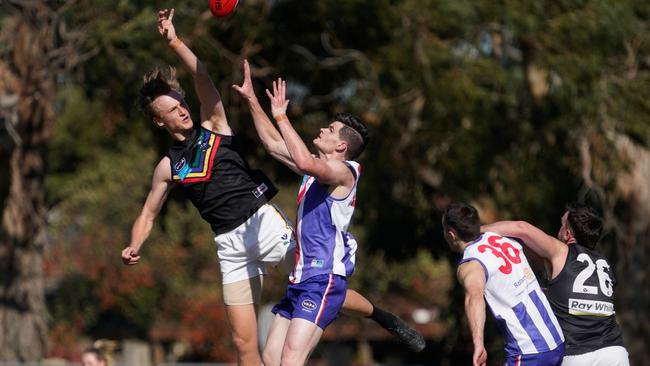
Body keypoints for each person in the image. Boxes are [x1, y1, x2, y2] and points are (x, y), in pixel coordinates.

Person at [120, 9, 424, 365]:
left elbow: (202, 76)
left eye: (181, 101)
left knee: (321, 276)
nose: (182, 109)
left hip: (263, 224)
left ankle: (381, 316)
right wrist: (134, 244)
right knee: (243, 341)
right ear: (159, 120)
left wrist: (174, 42)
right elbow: (148, 212)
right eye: (171, 108)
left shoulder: (214, 124)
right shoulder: (168, 167)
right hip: (228, 244)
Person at [234, 69, 366, 365]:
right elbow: (272, 144)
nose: (322, 130)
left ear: (342, 146)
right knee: (270, 355)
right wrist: (253, 100)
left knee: (291, 359)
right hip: (301, 279)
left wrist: (282, 116)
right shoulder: (317, 171)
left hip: (323, 279)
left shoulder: (345, 172)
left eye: (330, 130)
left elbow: (304, 161)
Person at [481, 202, 629, 365]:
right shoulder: (604, 263)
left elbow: (522, 228)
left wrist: (475, 231)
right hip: (615, 352)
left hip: (578, 354)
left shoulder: (560, 252)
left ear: (567, 233)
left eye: (561, 224)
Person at [443, 202, 564, 366]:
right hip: (556, 339)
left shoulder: (471, 264)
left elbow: (474, 297)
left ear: (451, 235)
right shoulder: (499, 237)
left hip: (528, 352)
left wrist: (478, 343)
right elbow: (520, 226)